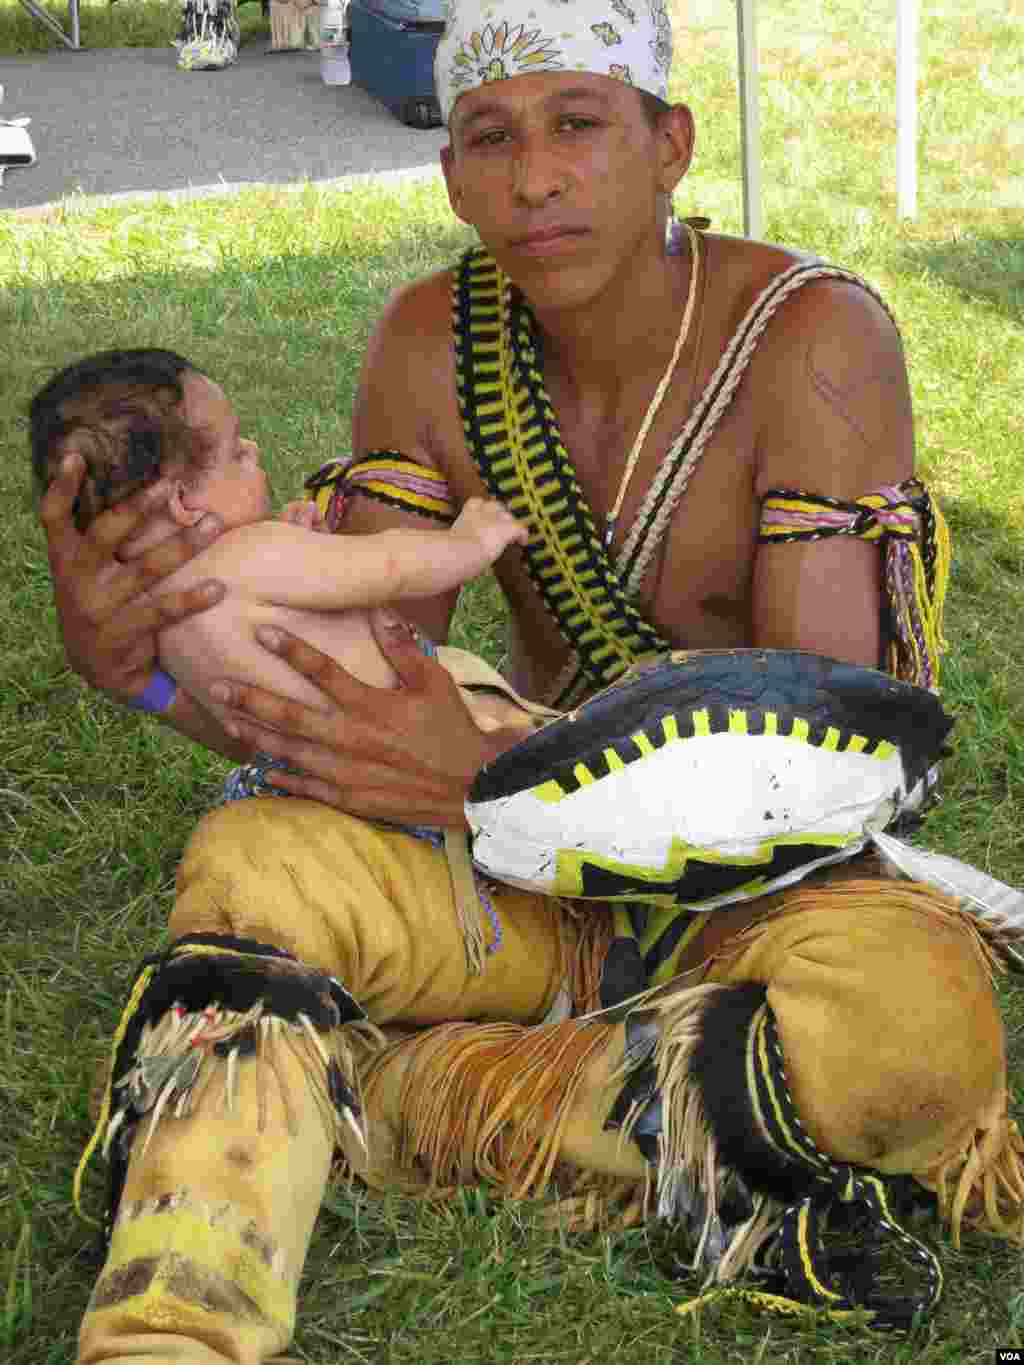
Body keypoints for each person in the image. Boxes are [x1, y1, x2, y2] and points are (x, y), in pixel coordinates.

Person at [37, 3, 1023, 1360]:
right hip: (499, 871)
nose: (534, 177)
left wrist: (507, 786)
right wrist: (137, 665)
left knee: (916, 1033)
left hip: (744, 887)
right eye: (490, 137)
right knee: (255, 862)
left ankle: (396, 1094)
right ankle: (172, 1328)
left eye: (579, 126)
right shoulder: (431, 343)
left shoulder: (812, 340)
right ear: (449, 173)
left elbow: (821, 758)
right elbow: (347, 690)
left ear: (669, 143)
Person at [29, 348, 546, 748]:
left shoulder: (162, 624)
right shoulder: (250, 553)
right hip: (431, 738)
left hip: (312, 794)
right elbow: (389, 565)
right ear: (183, 502)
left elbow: (245, 717)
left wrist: (309, 546)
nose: (253, 449)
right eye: (235, 451)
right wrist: (470, 540)